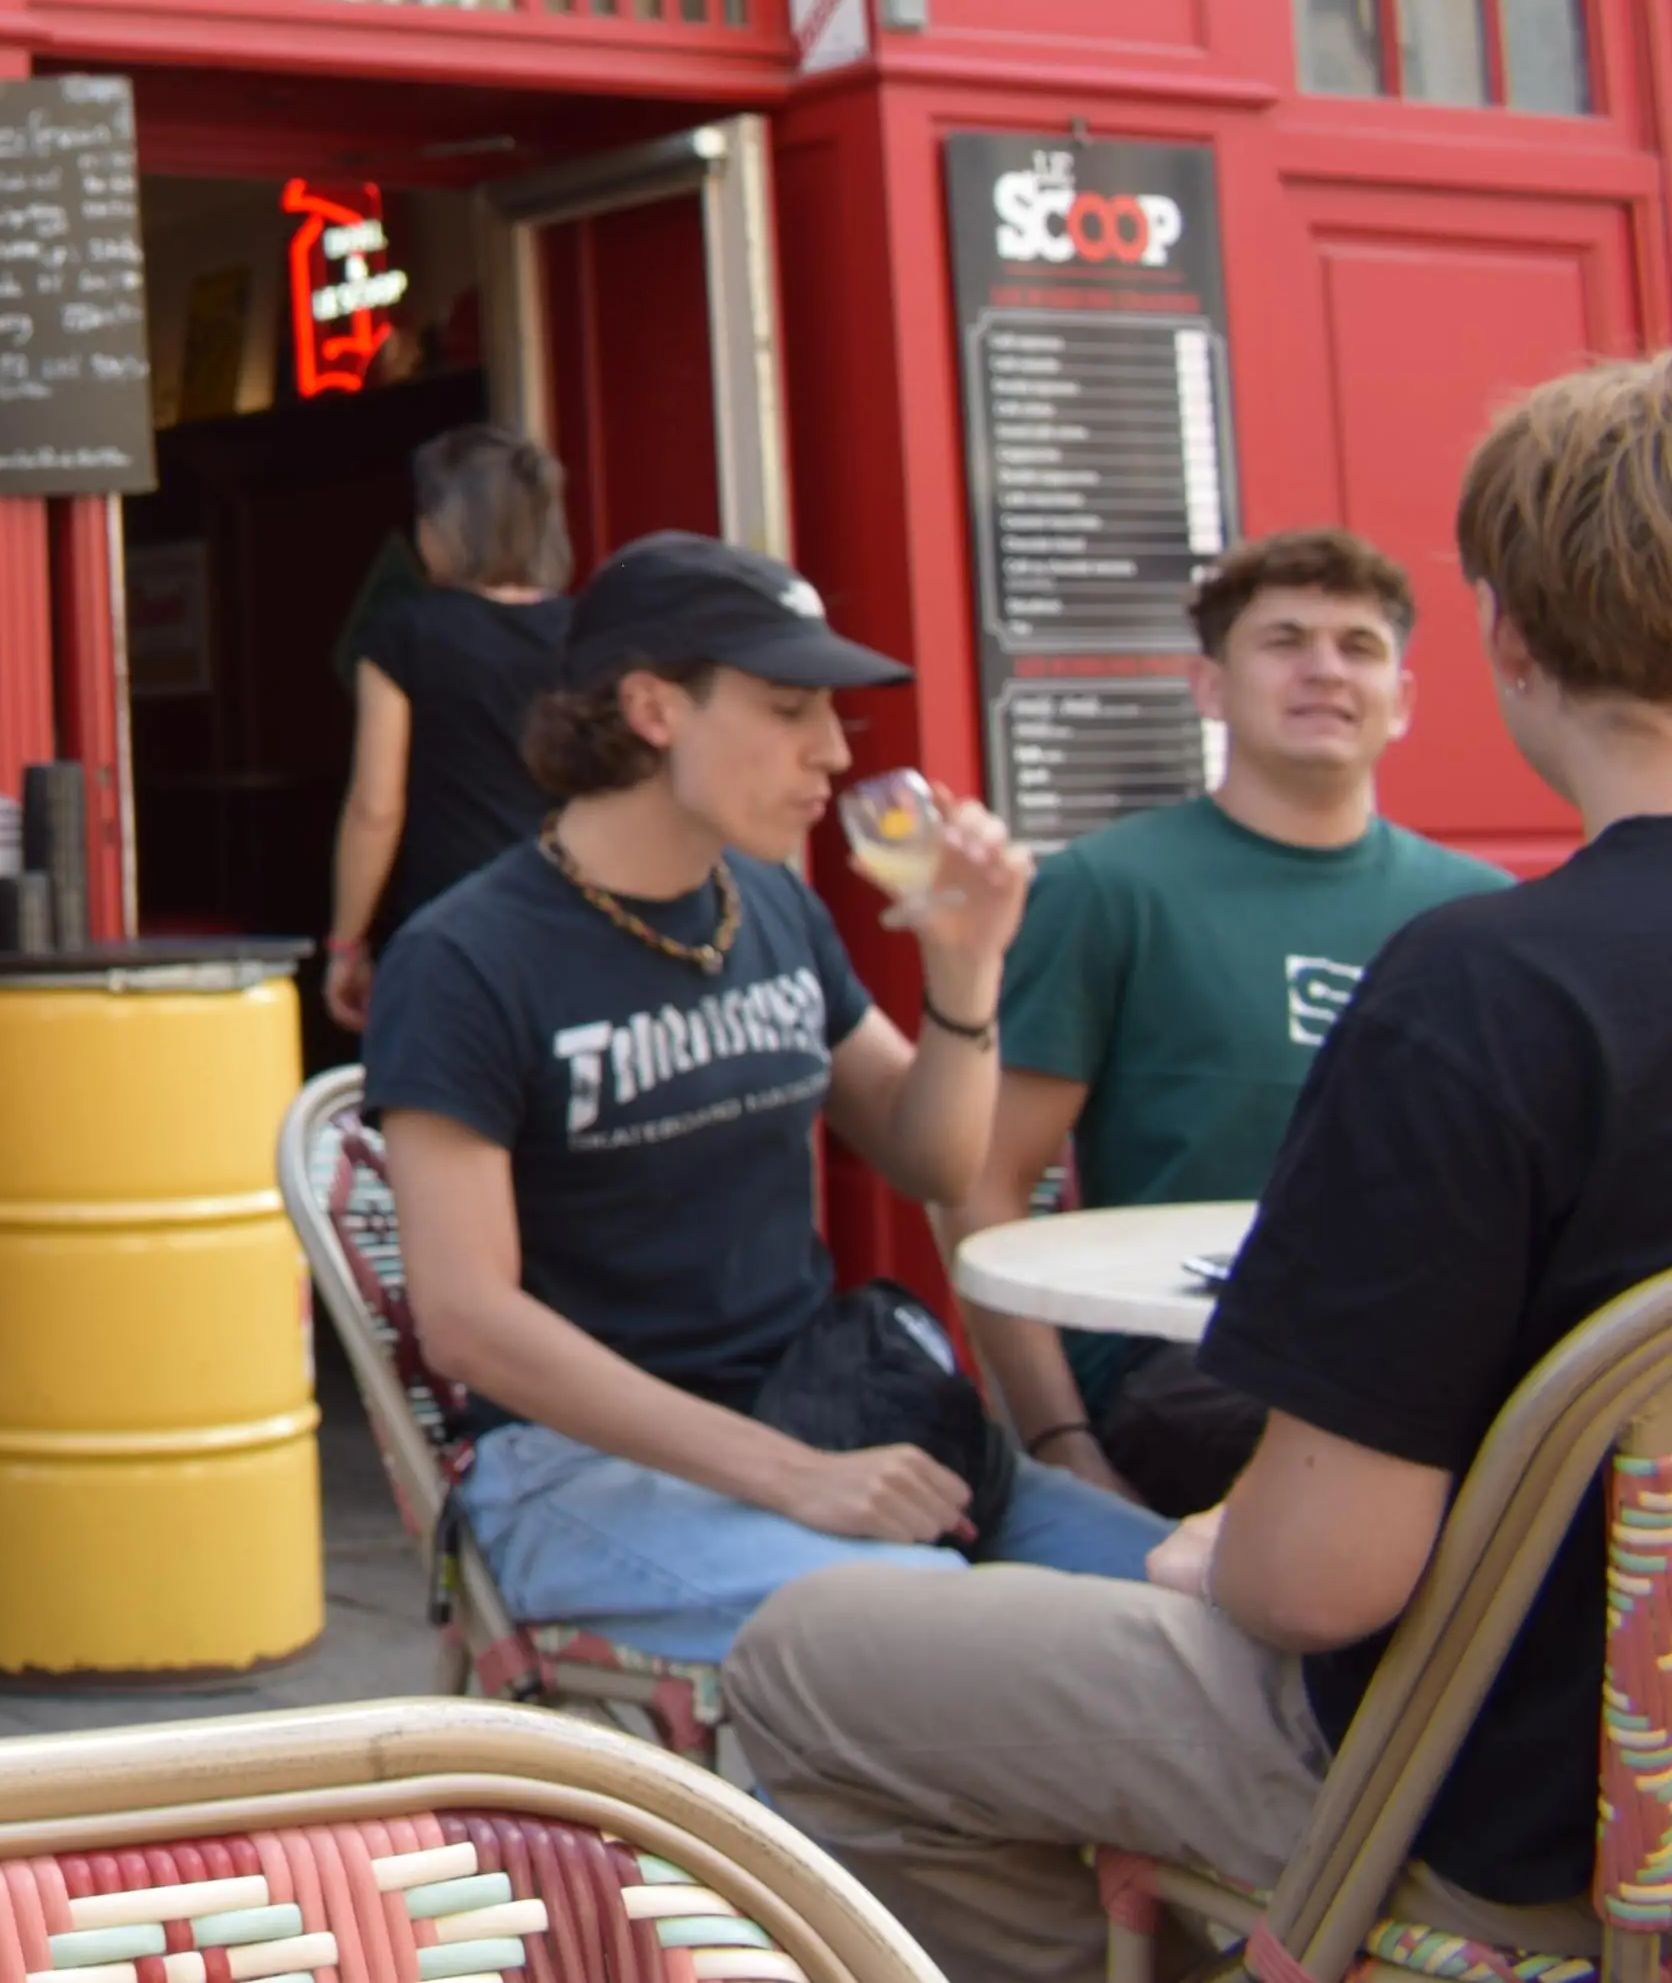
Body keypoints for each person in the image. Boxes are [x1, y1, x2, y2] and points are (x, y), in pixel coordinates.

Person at [729, 360, 1672, 1983]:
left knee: (805, 1655)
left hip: (1501, 1803)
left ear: (1505, 641)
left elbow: (1321, 1578)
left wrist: (1218, 1544)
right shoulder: (1236, 909)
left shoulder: (1488, 984)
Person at [361, 532, 1166, 1662]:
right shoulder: (467, 955)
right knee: (978, 1645)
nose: (832, 752)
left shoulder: (768, 906)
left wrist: (965, 972)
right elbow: (467, 1321)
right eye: (788, 709)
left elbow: (929, 1158)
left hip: (816, 1407)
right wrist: (798, 1482)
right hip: (576, 1470)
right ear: (651, 708)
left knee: (1185, 1593)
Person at [952, 529, 1504, 1514]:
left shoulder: (1475, 916)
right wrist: (1056, 1441)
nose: (1322, 671)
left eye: (1357, 647)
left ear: (1402, 701)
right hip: (1178, 1388)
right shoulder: (1102, 890)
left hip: (1410, 1386)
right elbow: (981, 1185)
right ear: (1208, 688)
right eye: (1284, 640)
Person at [323, 422, 575, 1029]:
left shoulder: (404, 632)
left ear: (445, 525)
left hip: (454, 930)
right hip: (575, 918)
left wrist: (346, 944)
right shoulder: (589, 629)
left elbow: (376, 806)